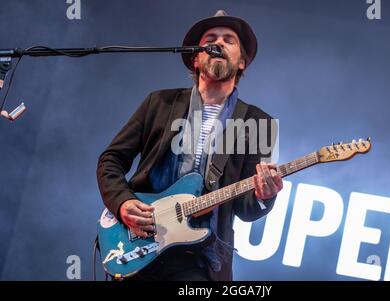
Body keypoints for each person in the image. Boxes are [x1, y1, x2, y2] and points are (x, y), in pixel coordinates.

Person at [96, 10, 282, 281]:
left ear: (242, 62)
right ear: (196, 57)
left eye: (229, 40)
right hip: (139, 240)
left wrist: (265, 196)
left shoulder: (259, 122)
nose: (218, 43)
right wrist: (123, 203)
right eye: (211, 39)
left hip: (198, 261)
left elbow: (246, 208)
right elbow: (111, 159)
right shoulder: (159, 102)